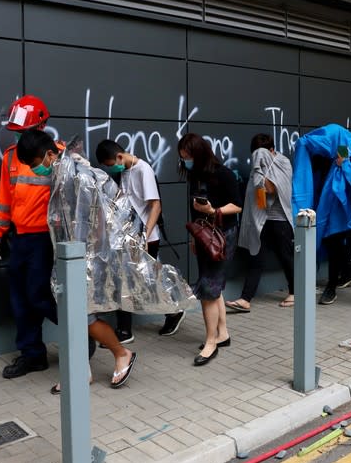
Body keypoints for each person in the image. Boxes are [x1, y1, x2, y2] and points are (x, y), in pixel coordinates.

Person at [13, 130, 137, 391]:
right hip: (68, 256)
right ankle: (81, 371)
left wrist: (92, 256)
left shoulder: (77, 174)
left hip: (85, 258)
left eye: (35, 164)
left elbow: (101, 216)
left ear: (49, 154)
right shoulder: (63, 171)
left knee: (85, 316)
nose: (35, 171)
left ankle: (120, 353)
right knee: (73, 315)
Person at [0, 96, 62, 379]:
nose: (19, 137)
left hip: (45, 241)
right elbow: (4, 200)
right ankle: (32, 355)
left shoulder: (57, 156)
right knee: (20, 299)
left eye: (23, 131)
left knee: (39, 296)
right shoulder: (10, 157)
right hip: (19, 240)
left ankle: (82, 334)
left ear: (41, 127)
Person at [94, 140, 187, 340]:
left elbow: (155, 206)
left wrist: (145, 235)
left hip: (147, 239)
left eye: (110, 165)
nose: (111, 169)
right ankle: (128, 329)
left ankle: (170, 312)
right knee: (128, 281)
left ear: (119, 157)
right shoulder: (125, 172)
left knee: (140, 281)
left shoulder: (143, 170)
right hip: (129, 237)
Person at [178, 133, 242, 365]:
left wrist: (213, 211)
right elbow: (194, 210)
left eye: (187, 157)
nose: (185, 162)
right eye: (182, 158)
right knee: (213, 284)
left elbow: (237, 206)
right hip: (203, 235)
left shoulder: (223, 174)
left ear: (199, 154)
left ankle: (211, 341)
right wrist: (194, 238)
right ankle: (222, 333)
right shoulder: (195, 176)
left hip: (223, 236)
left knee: (208, 288)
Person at [290, 125, 351, 305]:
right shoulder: (329, 153)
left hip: (342, 211)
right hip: (328, 208)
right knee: (332, 243)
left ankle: (332, 286)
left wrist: (345, 164)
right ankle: (346, 272)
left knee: (334, 244)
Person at [226, 134, 294, 312]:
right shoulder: (258, 167)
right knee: (256, 258)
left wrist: (261, 167)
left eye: (262, 154)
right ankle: (245, 299)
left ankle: (295, 292)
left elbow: (272, 189)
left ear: (272, 150)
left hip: (280, 220)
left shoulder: (283, 162)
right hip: (261, 220)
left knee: (285, 257)